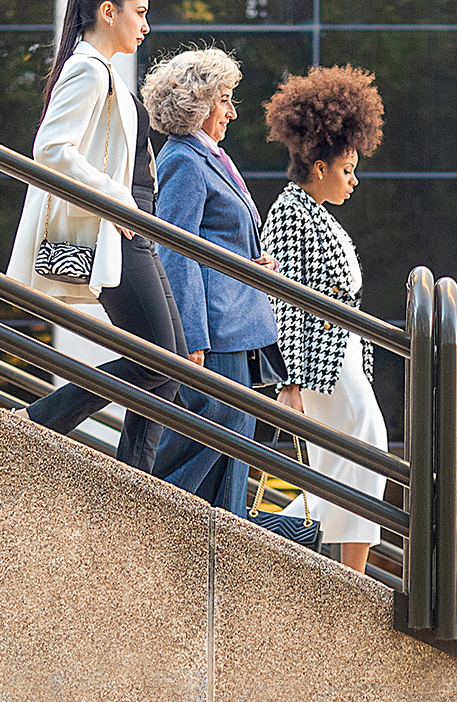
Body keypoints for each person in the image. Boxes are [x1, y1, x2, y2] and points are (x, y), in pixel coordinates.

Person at [6, 0, 187, 472]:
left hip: (133, 229)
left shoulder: (103, 70)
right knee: (161, 361)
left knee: (169, 367)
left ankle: (134, 484)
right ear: (109, 12)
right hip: (118, 229)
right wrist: (115, 198)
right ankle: (40, 422)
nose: (147, 26)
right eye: (140, 13)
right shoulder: (87, 68)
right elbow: (50, 148)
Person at [140, 47, 283, 515]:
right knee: (217, 425)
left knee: (233, 434)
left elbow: (215, 241)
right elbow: (176, 248)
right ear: (198, 104)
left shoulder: (208, 156)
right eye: (224, 99)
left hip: (233, 321)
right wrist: (192, 336)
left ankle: (221, 541)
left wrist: (250, 265)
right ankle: (144, 513)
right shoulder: (183, 159)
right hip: (215, 329)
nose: (232, 110)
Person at [261, 65, 387, 572]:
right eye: (347, 169)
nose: (354, 180)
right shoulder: (292, 213)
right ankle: (347, 576)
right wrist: (288, 382)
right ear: (318, 167)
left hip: (341, 357)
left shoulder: (314, 212)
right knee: (364, 452)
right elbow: (283, 300)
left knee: (345, 463)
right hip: (320, 364)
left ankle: (289, 552)